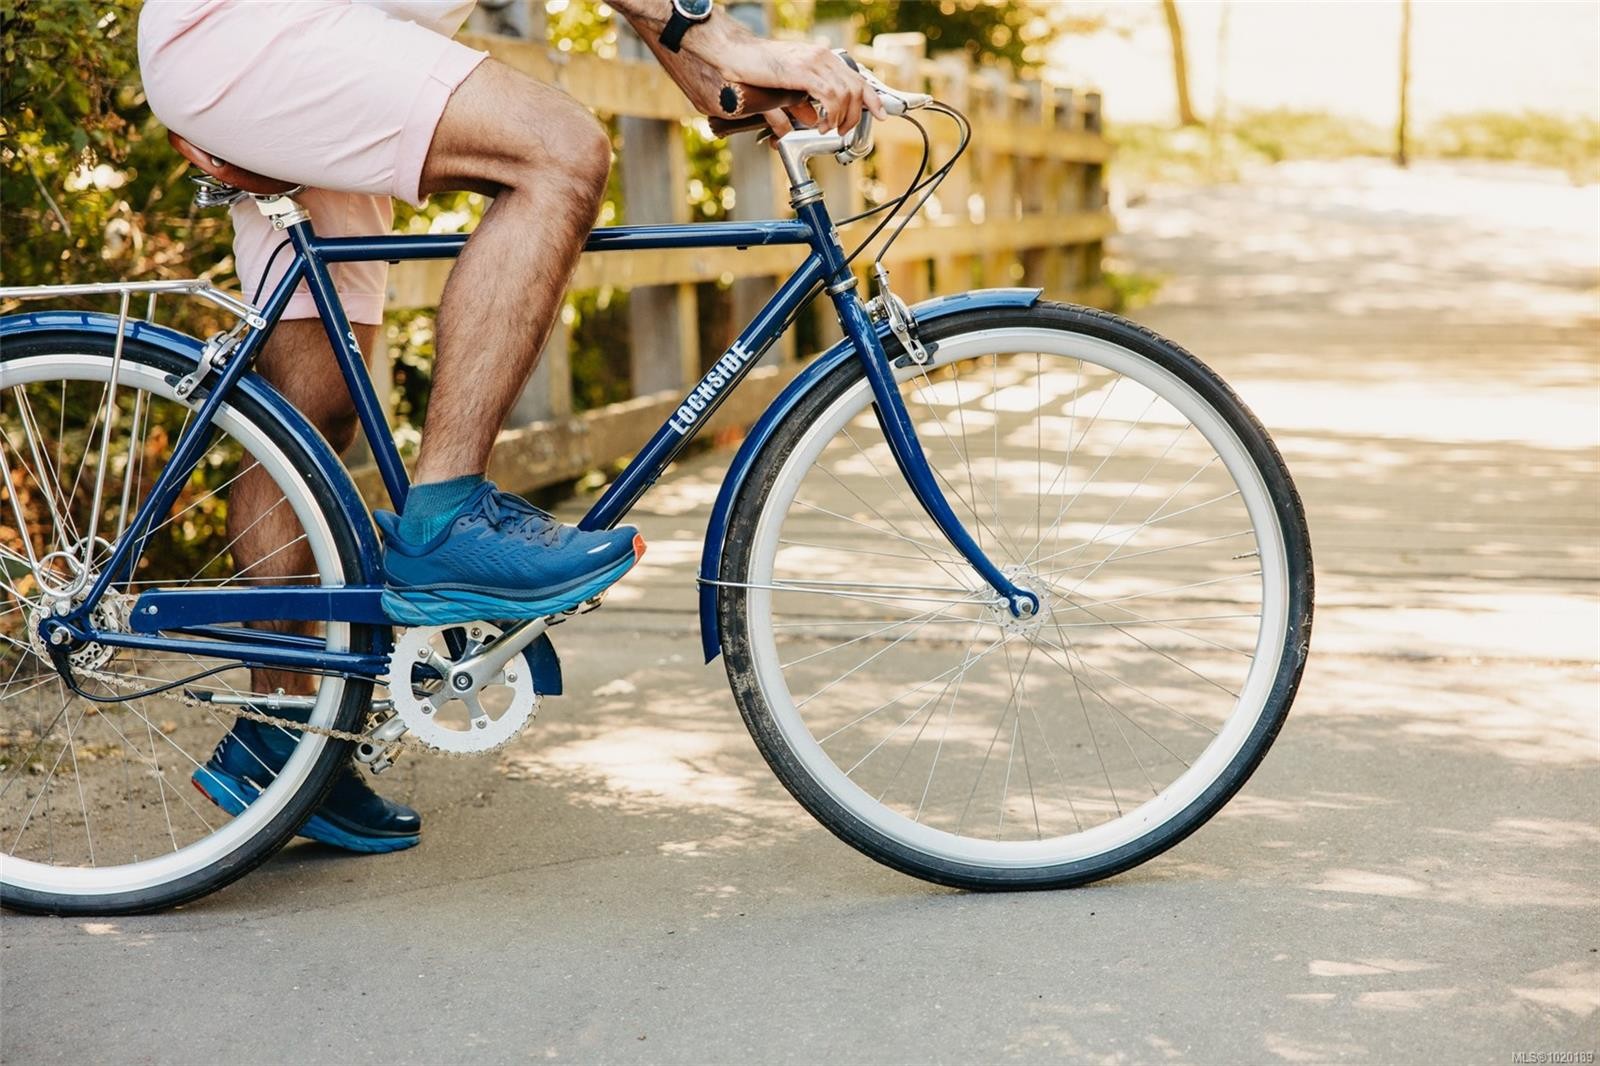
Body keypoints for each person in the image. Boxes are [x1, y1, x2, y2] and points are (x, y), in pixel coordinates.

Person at [136, 0, 880, 853]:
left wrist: (721, 79)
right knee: (561, 151)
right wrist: (728, 42)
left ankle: (282, 735)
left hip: (300, 35)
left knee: (314, 407)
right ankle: (444, 515)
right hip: (263, 31)